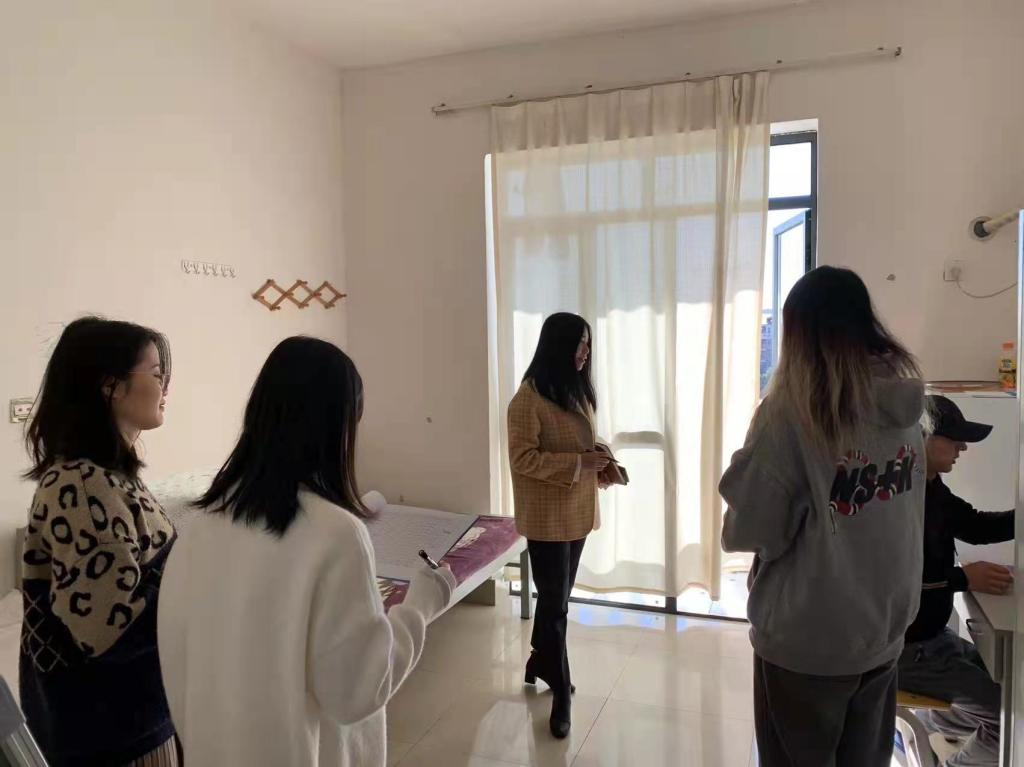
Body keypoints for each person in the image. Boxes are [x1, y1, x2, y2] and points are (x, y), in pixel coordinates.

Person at [157, 337, 456, 767]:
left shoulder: (198, 530)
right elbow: (357, 690)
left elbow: (177, 665)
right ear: (336, 427)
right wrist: (421, 606)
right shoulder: (336, 535)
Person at [720, 266, 927, 766]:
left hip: (809, 639)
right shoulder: (905, 408)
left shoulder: (793, 413)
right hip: (882, 630)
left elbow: (752, 528)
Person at [20, 317, 177, 766]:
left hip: (128, 721)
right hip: (114, 735)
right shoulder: (85, 487)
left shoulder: (106, 477)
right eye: (156, 374)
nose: (166, 388)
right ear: (111, 387)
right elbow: (110, 632)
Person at [507, 312, 611, 739]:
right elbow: (522, 459)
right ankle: (561, 690)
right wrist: (579, 464)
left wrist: (600, 460)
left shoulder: (573, 390)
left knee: (557, 599)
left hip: (576, 512)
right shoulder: (527, 399)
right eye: (579, 343)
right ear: (558, 346)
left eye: (588, 343)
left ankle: (540, 659)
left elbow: (574, 442)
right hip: (547, 517)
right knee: (557, 604)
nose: (586, 352)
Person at [899, 394, 1014, 767]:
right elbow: (897, 578)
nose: (963, 448)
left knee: (1008, 687)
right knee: (1012, 720)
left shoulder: (931, 486)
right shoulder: (900, 495)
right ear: (923, 437)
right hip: (909, 652)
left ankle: (935, 728)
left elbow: (975, 526)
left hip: (934, 641)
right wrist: (964, 577)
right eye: (955, 439)